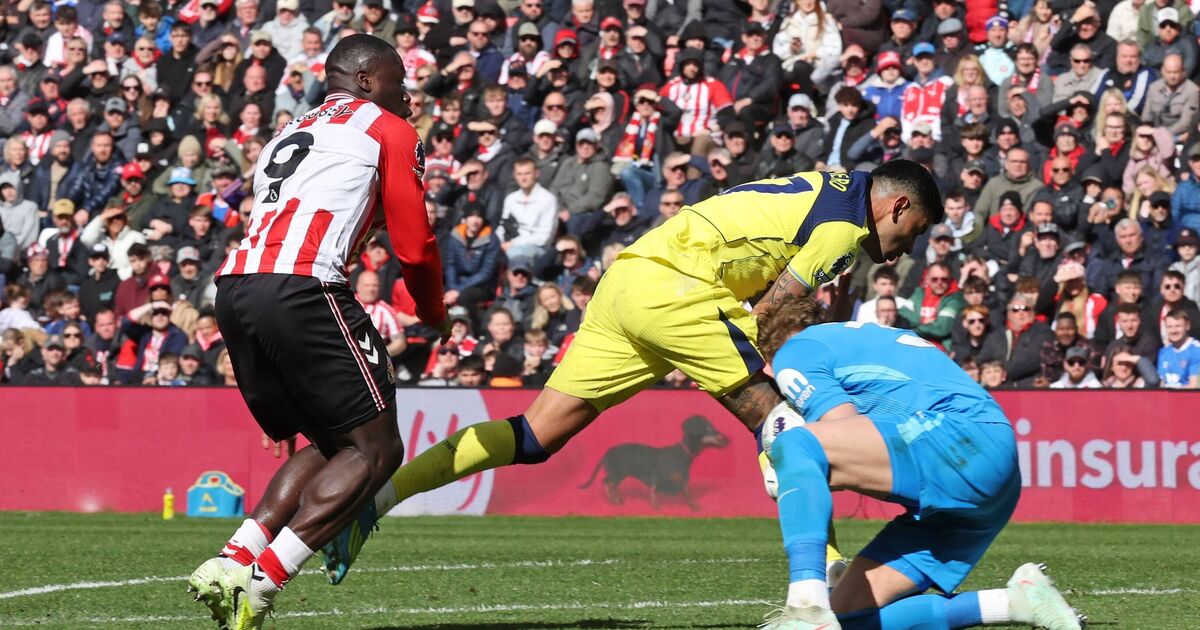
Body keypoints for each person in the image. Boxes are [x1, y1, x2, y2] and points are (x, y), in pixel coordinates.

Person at [320, 161, 944, 583]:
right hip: (681, 290)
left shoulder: (830, 187)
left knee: (534, 435)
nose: (907, 250)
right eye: (913, 232)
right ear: (898, 205)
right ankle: (824, 576)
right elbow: (778, 305)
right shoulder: (847, 224)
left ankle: (376, 501)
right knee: (784, 423)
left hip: (628, 279)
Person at [185, 35, 450, 630]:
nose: (407, 95)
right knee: (379, 451)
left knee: (335, 443)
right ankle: (261, 584)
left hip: (237, 289)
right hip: (303, 285)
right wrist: (433, 311)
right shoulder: (388, 128)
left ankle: (233, 559)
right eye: (399, 80)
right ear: (365, 80)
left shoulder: (290, 128)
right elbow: (415, 244)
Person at [754, 299, 1082, 630]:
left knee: (794, 443)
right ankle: (1016, 602)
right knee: (847, 617)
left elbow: (840, 424)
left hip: (958, 440)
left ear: (768, 366)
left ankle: (805, 608)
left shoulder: (794, 350)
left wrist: (796, 470)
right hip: (993, 465)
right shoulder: (869, 336)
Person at [1157, 309, 1200, 388]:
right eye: (1170, 327)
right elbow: (1162, 383)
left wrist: (1173, 391)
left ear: (1187, 326)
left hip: (1186, 395)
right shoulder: (1163, 351)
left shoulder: (1196, 350)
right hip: (1166, 395)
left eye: (1178, 326)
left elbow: (1194, 387)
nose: (1174, 331)